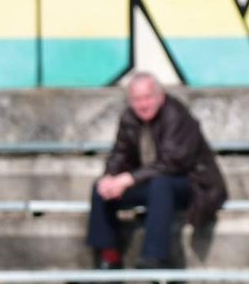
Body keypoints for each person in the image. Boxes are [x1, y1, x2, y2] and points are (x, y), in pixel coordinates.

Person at [88, 72, 226, 271]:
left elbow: (173, 163)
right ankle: (108, 255)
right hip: (149, 181)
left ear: (160, 96)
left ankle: (154, 257)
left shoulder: (176, 114)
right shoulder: (129, 118)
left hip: (194, 184)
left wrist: (128, 179)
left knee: (161, 185)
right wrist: (110, 178)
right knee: (101, 188)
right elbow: (119, 154)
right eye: (137, 99)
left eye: (147, 97)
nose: (143, 104)